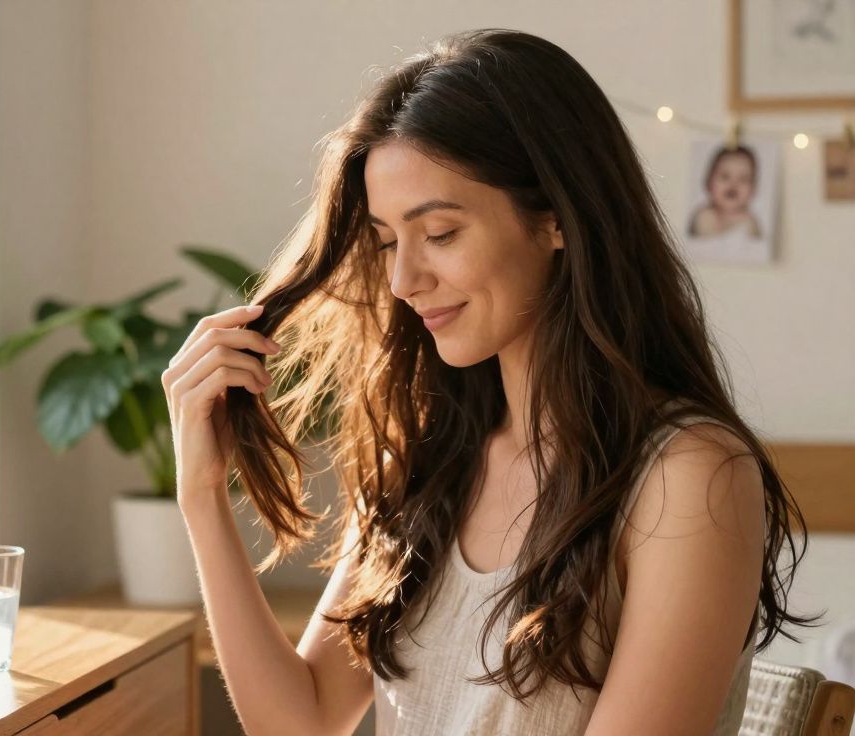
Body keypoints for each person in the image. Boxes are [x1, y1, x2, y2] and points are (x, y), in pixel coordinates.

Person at [161, 28, 821, 736]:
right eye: (387, 242)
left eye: (440, 233)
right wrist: (201, 497)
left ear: (557, 221)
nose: (403, 280)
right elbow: (303, 720)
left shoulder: (688, 475)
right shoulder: (427, 458)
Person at [688, 144, 764, 239]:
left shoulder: (750, 222)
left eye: (743, 179)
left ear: (753, 190)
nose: (733, 184)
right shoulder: (703, 217)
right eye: (725, 177)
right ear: (709, 183)